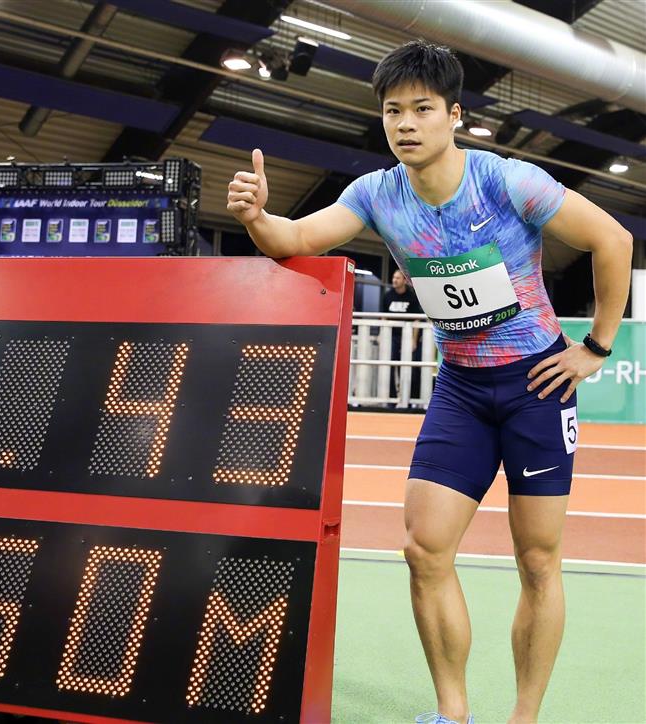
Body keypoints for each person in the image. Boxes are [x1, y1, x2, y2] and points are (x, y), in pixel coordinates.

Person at [226, 40, 632, 724]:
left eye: (421, 109)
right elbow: (294, 240)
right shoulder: (377, 194)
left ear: (453, 116)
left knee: (536, 558)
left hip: (536, 384)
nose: (406, 123)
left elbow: (612, 240)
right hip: (462, 391)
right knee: (424, 548)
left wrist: (596, 345)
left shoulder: (507, 182)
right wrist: (257, 217)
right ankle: (452, 712)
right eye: (393, 111)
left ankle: (524, 716)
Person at [382, 268, 423, 404]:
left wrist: (414, 340)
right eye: (393, 278)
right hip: (392, 337)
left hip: (407, 337)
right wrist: (382, 336)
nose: (394, 280)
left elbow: (417, 320)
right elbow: (383, 318)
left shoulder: (412, 296)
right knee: (389, 365)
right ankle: (392, 400)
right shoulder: (387, 296)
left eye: (398, 278)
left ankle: (410, 400)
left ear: (404, 280)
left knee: (409, 368)